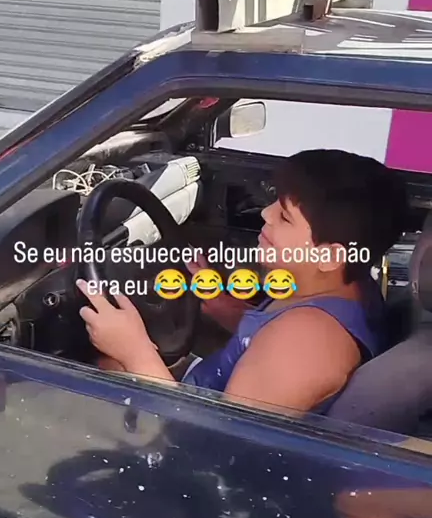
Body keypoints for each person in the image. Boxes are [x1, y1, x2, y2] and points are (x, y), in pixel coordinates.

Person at [77, 149, 407, 415]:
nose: (266, 214)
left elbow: (213, 450)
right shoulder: (339, 287)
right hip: (200, 391)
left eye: (284, 216)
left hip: (184, 428)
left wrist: (135, 351)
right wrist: (223, 305)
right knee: (106, 361)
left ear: (330, 256)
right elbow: (265, 339)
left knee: (78, 373)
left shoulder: (306, 344)